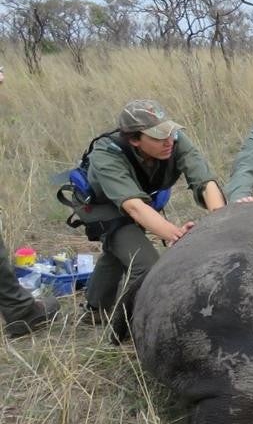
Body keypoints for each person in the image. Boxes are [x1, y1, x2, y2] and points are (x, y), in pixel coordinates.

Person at [84, 100, 226, 337]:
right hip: (106, 207)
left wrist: (221, 222)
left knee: (120, 251)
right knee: (146, 265)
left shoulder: (174, 140)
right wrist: (178, 235)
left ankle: (95, 308)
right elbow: (133, 207)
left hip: (141, 200)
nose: (169, 141)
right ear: (134, 139)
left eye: (169, 132)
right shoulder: (106, 155)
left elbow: (204, 181)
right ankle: (135, 325)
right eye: (159, 137)